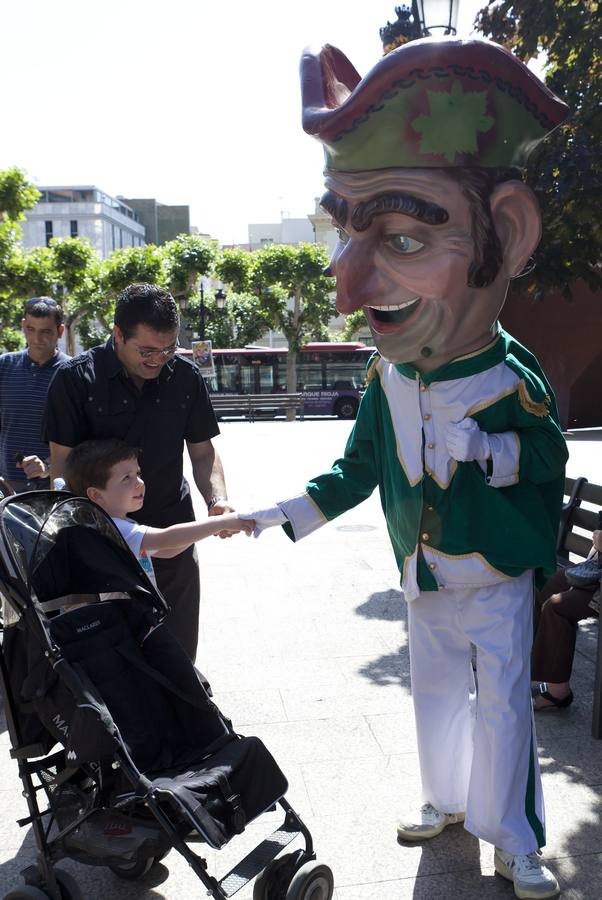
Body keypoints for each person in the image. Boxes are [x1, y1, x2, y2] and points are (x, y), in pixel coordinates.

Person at [243, 36, 570, 899]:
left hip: (493, 569)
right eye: (350, 233)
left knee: (504, 708)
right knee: (434, 697)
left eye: (401, 234)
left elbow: (545, 458)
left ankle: (517, 838)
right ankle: (444, 799)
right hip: (423, 571)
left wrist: (493, 452)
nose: (350, 289)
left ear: (508, 233)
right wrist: (289, 511)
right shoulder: (387, 377)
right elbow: (358, 467)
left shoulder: (509, 375)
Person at [44, 283, 230, 661]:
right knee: (115, 663)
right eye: (146, 351)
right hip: (103, 545)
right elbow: (61, 466)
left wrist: (218, 499)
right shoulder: (75, 380)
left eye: (168, 349)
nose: (158, 360)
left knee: (177, 653)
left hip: (170, 536)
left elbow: (203, 453)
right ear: (117, 334)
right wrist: (75, 539)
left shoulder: (185, 378)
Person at [64, 439, 252, 596]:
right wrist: (221, 522)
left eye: (137, 473)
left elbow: (168, 550)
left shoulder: (120, 524)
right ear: (96, 495)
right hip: (123, 627)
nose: (140, 483)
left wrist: (209, 528)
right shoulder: (113, 530)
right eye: (126, 478)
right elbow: (166, 539)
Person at [0, 297, 69, 492]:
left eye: (45, 331)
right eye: (31, 329)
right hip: (6, 487)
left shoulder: (73, 373)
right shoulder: (4, 366)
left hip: (53, 489)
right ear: (23, 325)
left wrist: (48, 466)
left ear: (60, 331)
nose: (37, 339)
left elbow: (81, 437)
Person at [532, 530, 601, 710]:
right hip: (596, 570)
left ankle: (558, 691)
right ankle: (527, 667)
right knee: (544, 587)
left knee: (556, 607)